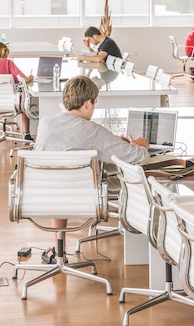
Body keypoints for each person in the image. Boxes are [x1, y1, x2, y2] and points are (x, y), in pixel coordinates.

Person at [34, 75, 150, 260]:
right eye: (95, 103)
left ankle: (59, 251)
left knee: (59, 181)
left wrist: (110, 143)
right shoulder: (93, 131)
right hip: (81, 198)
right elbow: (137, 157)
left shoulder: (45, 124)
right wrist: (142, 145)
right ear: (88, 104)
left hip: (42, 195)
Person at [0, 42, 35, 141]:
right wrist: (31, 77)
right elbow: (23, 79)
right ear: (4, 50)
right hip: (9, 102)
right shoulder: (7, 63)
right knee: (24, 99)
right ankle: (26, 134)